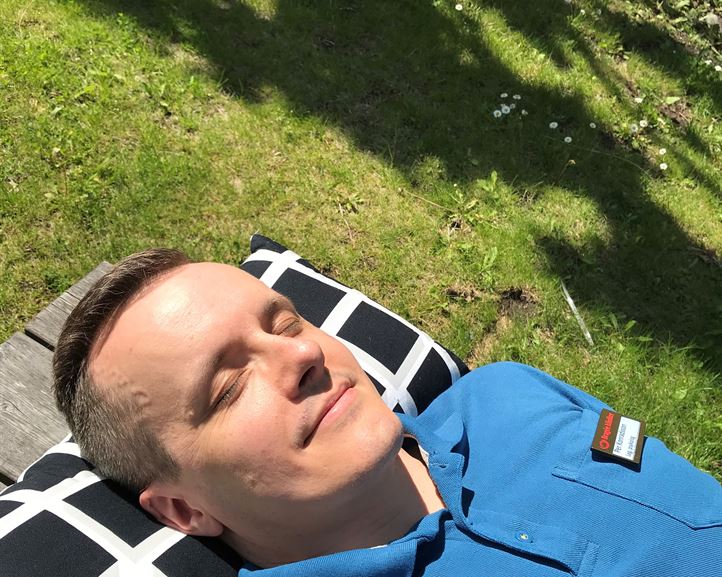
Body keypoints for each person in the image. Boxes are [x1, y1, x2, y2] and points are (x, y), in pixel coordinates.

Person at [53, 249, 722, 576]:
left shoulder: (504, 394)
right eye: (228, 388)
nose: (302, 355)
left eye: (286, 323)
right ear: (184, 510)